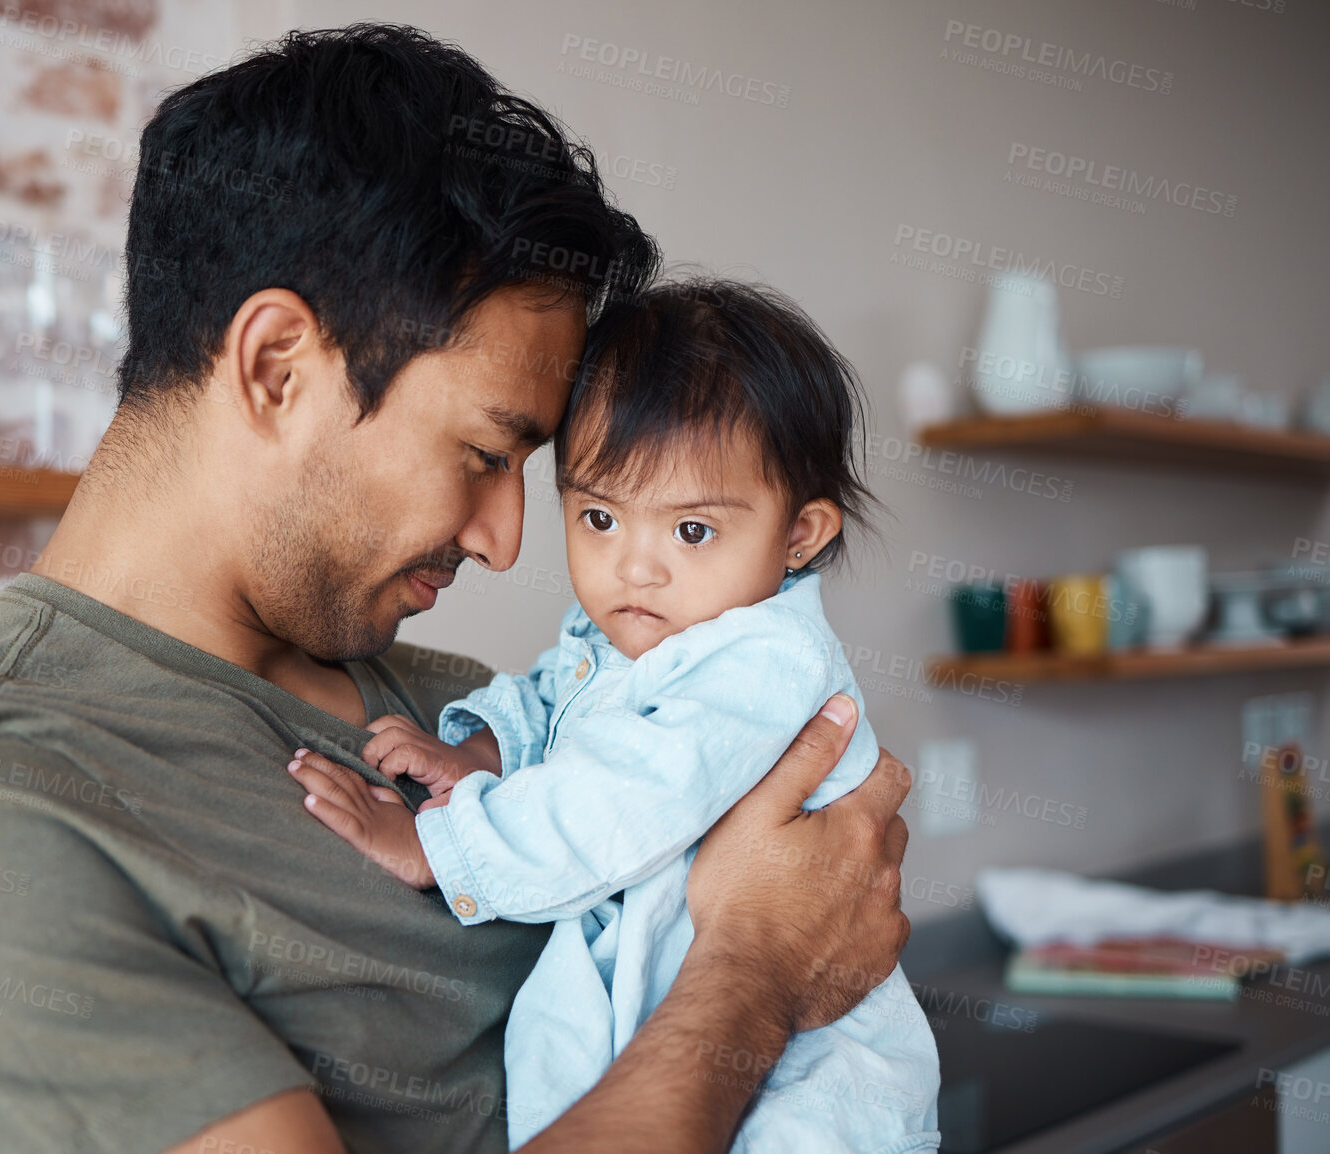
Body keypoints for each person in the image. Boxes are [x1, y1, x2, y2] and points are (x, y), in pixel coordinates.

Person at [0, 25, 913, 1154]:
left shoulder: (474, 713)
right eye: (483, 453)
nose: (510, 541)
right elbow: (761, 939)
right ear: (276, 368)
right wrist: (753, 979)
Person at [293, 278, 941, 1153]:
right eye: (599, 516)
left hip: (810, 1074)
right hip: (682, 1012)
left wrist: (444, 845)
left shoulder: (761, 662)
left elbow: (634, 788)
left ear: (799, 534)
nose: (635, 568)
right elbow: (562, 704)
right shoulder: (631, 641)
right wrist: (483, 750)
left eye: (692, 532)